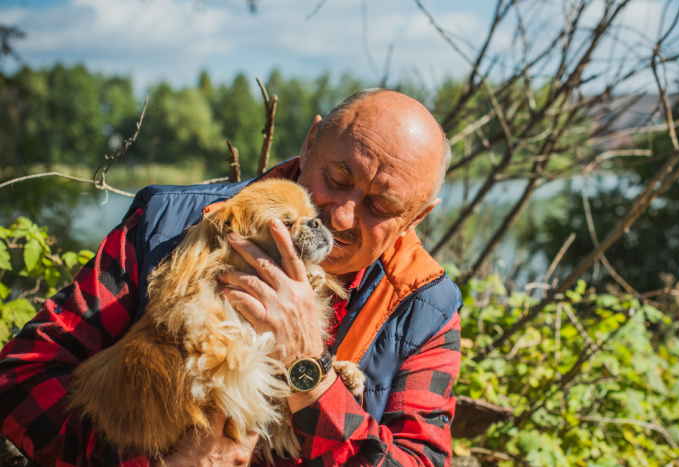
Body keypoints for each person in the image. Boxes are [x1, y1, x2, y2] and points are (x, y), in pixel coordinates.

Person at [0, 89, 462, 466]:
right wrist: (159, 460)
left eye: (381, 207)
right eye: (338, 176)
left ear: (416, 216)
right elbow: (20, 378)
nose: (340, 216)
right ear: (311, 142)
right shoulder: (167, 226)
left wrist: (309, 369)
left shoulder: (424, 306)